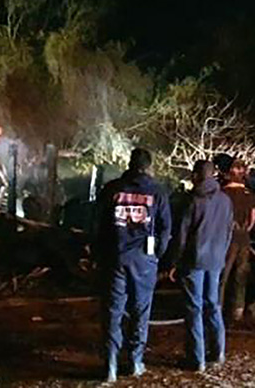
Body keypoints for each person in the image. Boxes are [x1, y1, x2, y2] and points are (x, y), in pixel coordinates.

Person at [96, 148, 172, 382]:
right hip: (144, 260)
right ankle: (136, 361)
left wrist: (101, 253)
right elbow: (166, 228)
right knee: (140, 311)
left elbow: (98, 223)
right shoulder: (157, 192)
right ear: (148, 166)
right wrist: (157, 254)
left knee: (113, 311)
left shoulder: (112, 189)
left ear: (129, 164)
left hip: (115, 257)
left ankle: (110, 365)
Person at [171, 160, 233, 371]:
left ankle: (196, 358)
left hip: (194, 261)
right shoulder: (225, 200)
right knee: (213, 305)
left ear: (197, 175)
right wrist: (222, 255)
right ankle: (218, 352)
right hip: (216, 260)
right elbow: (228, 231)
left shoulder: (192, 201)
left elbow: (181, 235)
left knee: (194, 308)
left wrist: (174, 261)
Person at [219, 159, 255, 322]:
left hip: (226, 240)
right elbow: (252, 218)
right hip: (243, 240)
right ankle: (238, 310)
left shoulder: (222, 194)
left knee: (223, 275)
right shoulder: (249, 195)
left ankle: (217, 308)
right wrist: (245, 231)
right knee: (240, 275)